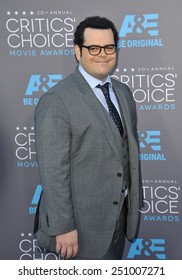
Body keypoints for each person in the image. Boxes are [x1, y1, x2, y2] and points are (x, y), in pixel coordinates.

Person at [34, 16, 143, 260]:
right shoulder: (56, 101)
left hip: (120, 220)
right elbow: (53, 171)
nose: (102, 54)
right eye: (93, 48)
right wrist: (63, 227)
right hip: (80, 230)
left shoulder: (123, 92)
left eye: (109, 47)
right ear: (77, 51)